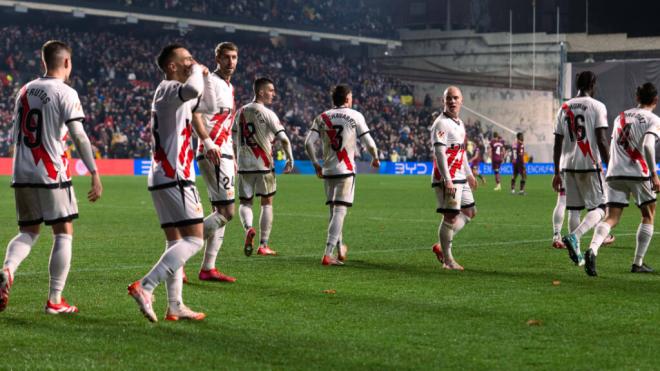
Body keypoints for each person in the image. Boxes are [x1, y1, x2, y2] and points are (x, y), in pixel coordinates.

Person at [0, 40, 103, 315]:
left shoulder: (24, 90)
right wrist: (94, 172)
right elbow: (79, 135)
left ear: (43, 61)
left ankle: (8, 270)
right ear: (67, 62)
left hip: (21, 170)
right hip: (51, 170)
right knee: (63, 232)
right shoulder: (65, 92)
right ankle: (55, 300)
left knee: (28, 231)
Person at [127, 43, 217, 322]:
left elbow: (209, 106)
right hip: (174, 175)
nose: (192, 62)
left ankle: (175, 304)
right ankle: (146, 285)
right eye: (186, 59)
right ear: (172, 67)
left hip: (163, 176)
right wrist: (197, 73)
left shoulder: (175, 94)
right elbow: (192, 90)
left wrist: (204, 76)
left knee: (175, 242)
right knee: (194, 239)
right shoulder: (168, 88)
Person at [583, 83, 660, 276]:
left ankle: (593, 249)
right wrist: (654, 173)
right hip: (638, 172)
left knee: (612, 217)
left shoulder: (621, 117)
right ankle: (637, 263)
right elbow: (649, 146)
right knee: (648, 215)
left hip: (615, 172)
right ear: (655, 100)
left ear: (637, 98)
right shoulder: (653, 119)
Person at [304, 84, 380, 265]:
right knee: (340, 211)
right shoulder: (355, 116)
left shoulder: (322, 117)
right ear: (347, 99)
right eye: (351, 97)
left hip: (328, 170)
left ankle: (339, 249)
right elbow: (369, 141)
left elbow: (308, 143)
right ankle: (327, 254)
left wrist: (316, 164)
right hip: (345, 170)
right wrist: (375, 156)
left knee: (334, 211)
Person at [188, 41, 239, 283]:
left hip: (225, 154)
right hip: (213, 153)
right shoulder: (212, 84)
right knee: (228, 212)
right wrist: (208, 143)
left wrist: (233, 157)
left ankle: (208, 268)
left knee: (220, 211)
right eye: (226, 57)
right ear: (217, 58)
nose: (231, 62)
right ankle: (178, 253)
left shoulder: (229, 87)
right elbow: (195, 115)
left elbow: (226, 125)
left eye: (235, 57)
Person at [553, 71, 610, 267]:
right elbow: (602, 140)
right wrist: (610, 166)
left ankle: (577, 255)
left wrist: (555, 172)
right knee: (603, 207)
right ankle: (575, 236)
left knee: (574, 210)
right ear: (593, 84)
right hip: (589, 164)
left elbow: (557, 143)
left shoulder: (564, 107)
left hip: (567, 166)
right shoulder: (597, 106)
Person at [233, 77, 294, 257]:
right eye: (270, 90)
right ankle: (263, 244)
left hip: (244, 164)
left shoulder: (240, 112)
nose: (273, 94)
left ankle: (248, 228)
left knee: (245, 202)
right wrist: (290, 158)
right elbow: (283, 139)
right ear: (260, 92)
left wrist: (237, 156)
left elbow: (233, 136)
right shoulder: (268, 114)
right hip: (263, 164)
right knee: (267, 203)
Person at [430, 86, 478, 271]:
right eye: (448, 98)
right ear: (444, 101)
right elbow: (439, 152)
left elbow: (461, 151)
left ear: (461, 100)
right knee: (450, 217)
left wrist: (468, 173)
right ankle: (447, 260)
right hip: (447, 177)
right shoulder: (441, 123)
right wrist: (447, 179)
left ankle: (441, 246)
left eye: (455, 98)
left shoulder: (459, 123)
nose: (452, 101)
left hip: (459, 176)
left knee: (470, 212)